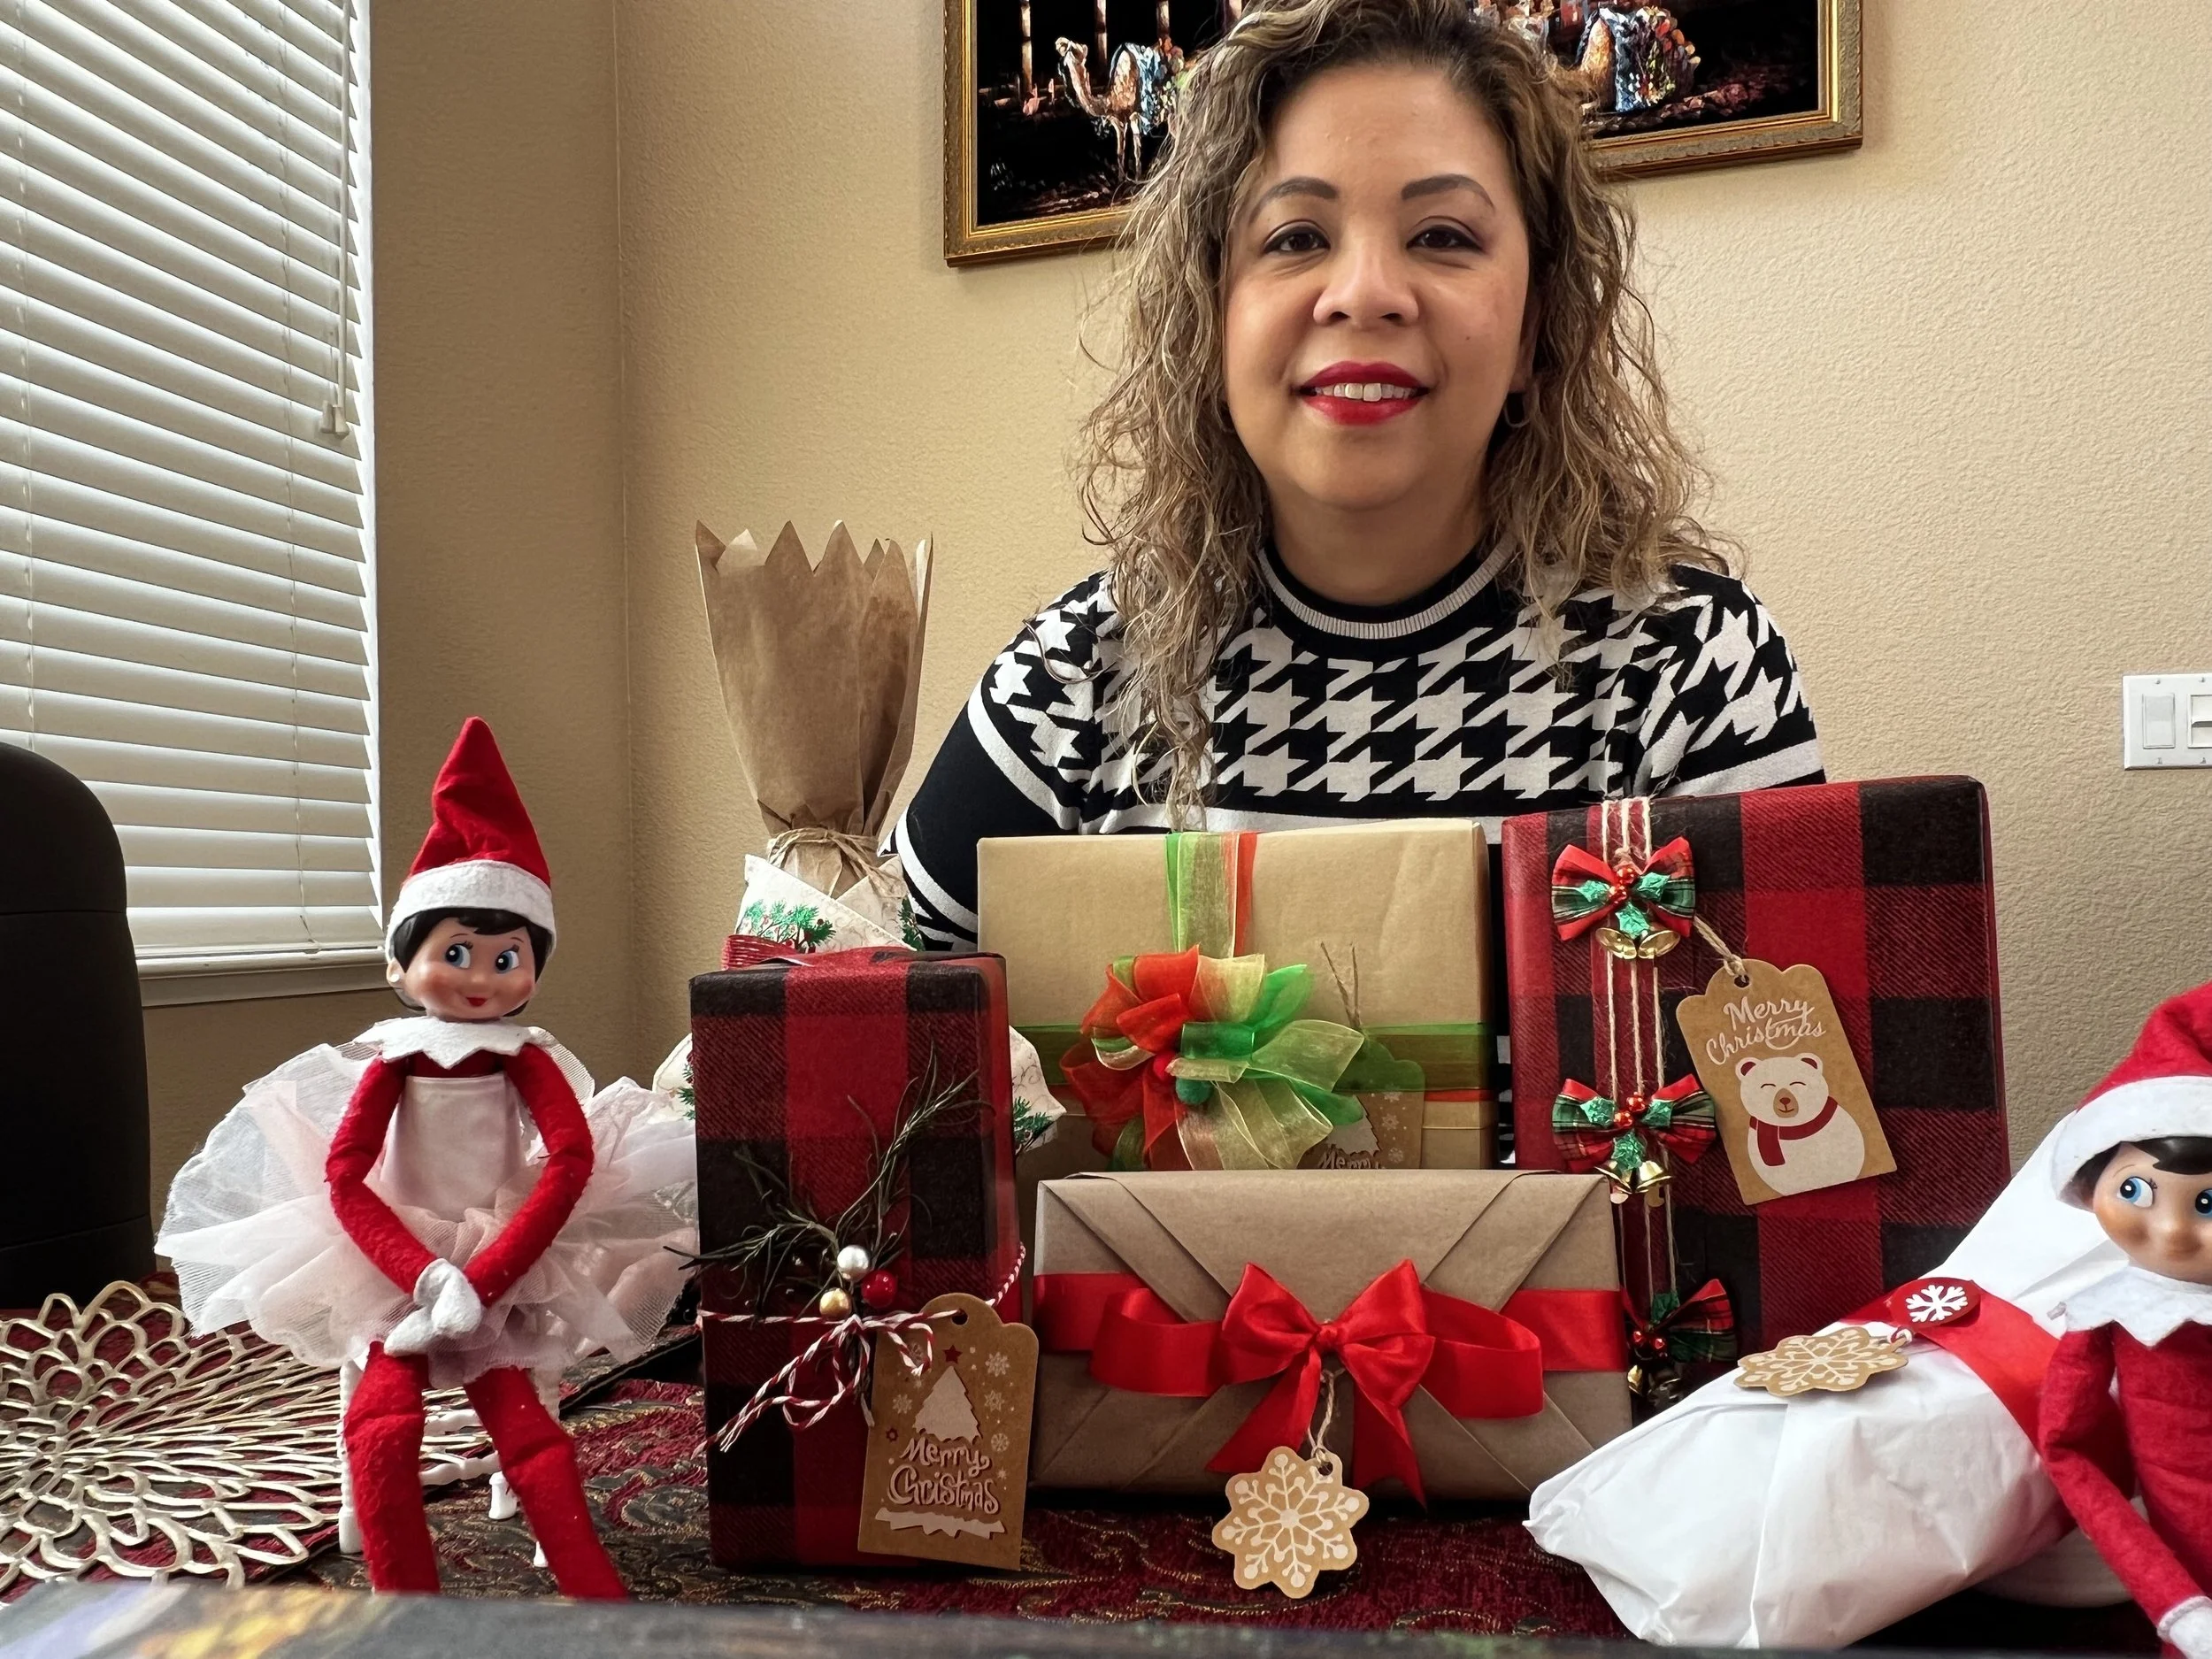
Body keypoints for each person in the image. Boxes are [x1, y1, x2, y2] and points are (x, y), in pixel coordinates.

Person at [895, 0, 1819, 956]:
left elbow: (1801, 1089)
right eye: (1294, 238)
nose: (1365, 292)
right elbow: (862, 1026)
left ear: (1533, 331)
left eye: (1443, 236)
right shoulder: (1074, 681)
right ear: (1210, 318)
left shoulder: (1691, 670)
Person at [158, 718, 696, 1598]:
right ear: (405, 965)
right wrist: (423, 1277)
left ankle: (594, 1593)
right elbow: (343, 1175)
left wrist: (483, 1280)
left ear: (532, 965)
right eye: (455, 953)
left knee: (524, 1425)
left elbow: (566, 1161)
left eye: (505, 956)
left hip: (504, 1254)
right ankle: (405, 1606)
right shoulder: (396, 1060)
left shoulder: (525, 1058)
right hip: (393, 1263)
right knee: (379, 1426)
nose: (481, 976)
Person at [2039, 982, 2212, 1659]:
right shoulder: (2108, 1320)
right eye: (2135, 1189)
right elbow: (2071, 1454)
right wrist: (2177, 1604)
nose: (2169, 1231)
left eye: (2206, 1201)